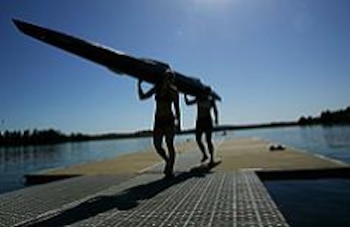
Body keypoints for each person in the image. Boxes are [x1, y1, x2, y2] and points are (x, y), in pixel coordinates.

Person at [138, 69, 180, 178]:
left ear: (172, 80)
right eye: (166, 77)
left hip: (169, 120)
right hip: (158, 121)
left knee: (170, 145)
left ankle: (170, 169)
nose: (168, 79)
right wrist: (139, 84)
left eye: (170, 78)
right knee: (157, 145)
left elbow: (177, 108)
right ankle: (167, 160)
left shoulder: (174, 91)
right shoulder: (157, 88)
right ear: (164, 78)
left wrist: (178, 123)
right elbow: (142, 97)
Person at [184, 87, 218, 164]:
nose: (205, 94)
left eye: (207, 93)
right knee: (198, 139)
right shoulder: (198, 99)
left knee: (208, 140)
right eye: (205, 92)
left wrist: (216, 119)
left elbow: (215, 110)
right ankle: (205, 154)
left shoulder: (211, 100)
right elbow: (188, 103)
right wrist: (185, 95)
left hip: (208, 121)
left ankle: (212, 159)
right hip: (199, 121)